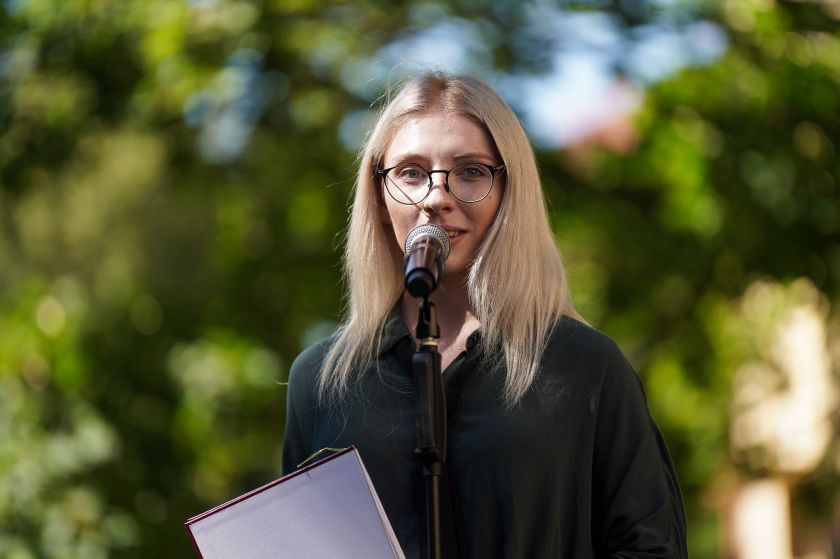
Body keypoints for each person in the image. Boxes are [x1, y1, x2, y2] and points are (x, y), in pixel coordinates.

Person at [282, 72, 687, 558]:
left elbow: (649, 547)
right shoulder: (321, 383)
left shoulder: (585, 367)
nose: (436, 197)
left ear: (508, 192)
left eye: (471, 171)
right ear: (379, 196)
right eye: (411, 172)